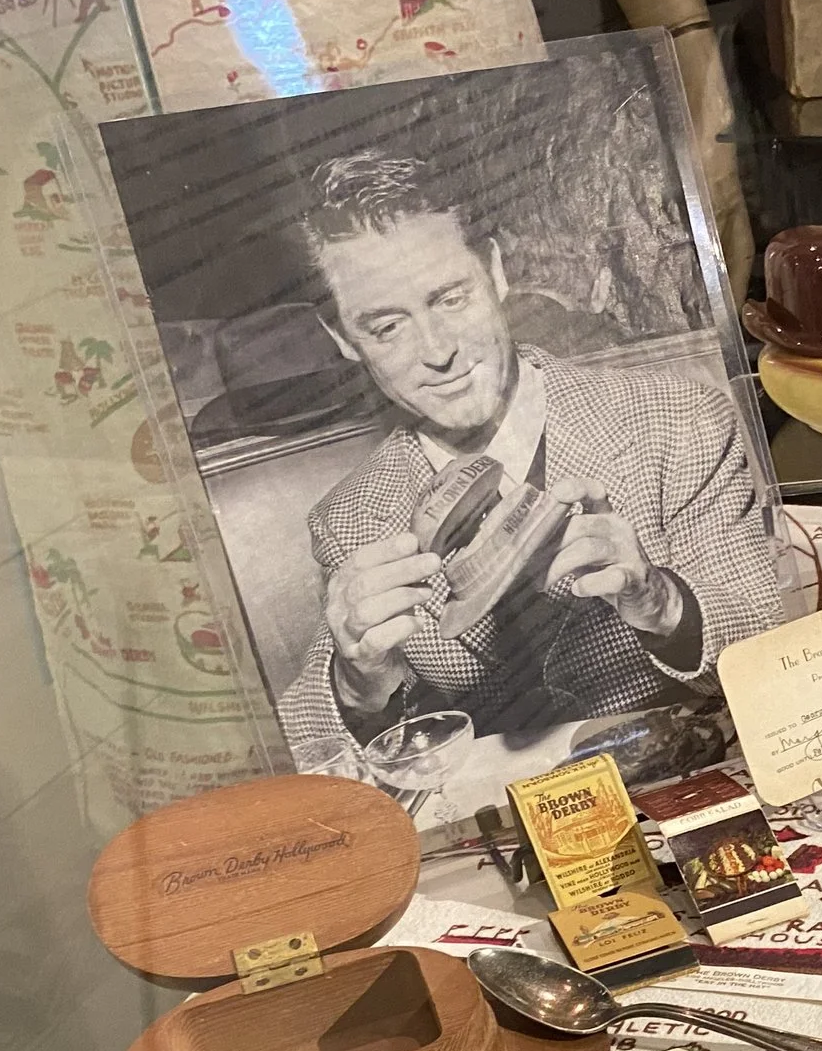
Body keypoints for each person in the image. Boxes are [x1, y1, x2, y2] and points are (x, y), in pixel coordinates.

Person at [275, 150, 783, 769]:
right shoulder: (350, 519)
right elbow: (295, 742)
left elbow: (774, 646)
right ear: (341, 337)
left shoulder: (679, 422)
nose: (437, 352)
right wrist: (356, 685)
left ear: (494, 270)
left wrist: (662, 603)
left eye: (450, 299)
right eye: (387, 327)